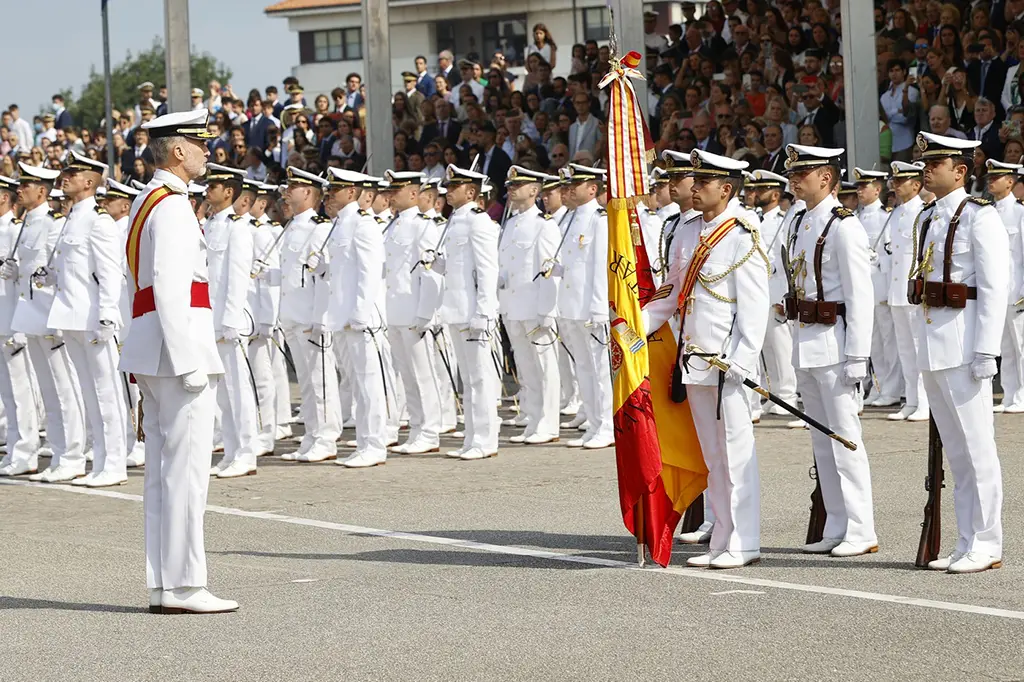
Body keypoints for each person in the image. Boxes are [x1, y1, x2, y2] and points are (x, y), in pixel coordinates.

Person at [116, 109, 236, 614]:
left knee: (164, 475)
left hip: (154, 347)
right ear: (179, 150)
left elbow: (136, 287)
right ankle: (185, 585)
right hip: (178, 352)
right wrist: (188, 362)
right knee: (185, 474)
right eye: (200, 143)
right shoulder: (171, 206)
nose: (208, 151)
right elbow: (169, 287)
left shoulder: (147, 200)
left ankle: (165, 584)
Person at [643, 149, 769, 568]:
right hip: (695, 359)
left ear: (726, 189)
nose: (694, 188)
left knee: (735, 452)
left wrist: (741, 361)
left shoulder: (741, 233)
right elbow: (671, 292)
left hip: (726, 362)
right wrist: (636, 326)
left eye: (704, 182)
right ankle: (723, 538)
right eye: (694, 181)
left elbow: (753, 307)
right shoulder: (688, 231)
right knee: (713, 455)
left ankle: (744, 541)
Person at [913, 131, 1008, 573]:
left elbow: (993, 288)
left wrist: (986, 350)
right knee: (956, 451)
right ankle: (966, 538)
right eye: (925, 163)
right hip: (934, 344)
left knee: (977, 448)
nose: (926, 169)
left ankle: (987, 541)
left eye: (936, 163)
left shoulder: (978, 216)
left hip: (965, 346)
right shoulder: (928, 217)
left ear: (961, 171)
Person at [783, 144, 878, 558]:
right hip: (806, 340)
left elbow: (860, 296)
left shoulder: (844, 226)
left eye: (801, 172)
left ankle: (862, 527)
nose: (793, 179)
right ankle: (836, 524)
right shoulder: (800, 221)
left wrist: (858, 356)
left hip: (835, 345)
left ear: (825, 178)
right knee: (823, 444)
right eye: (792, 172)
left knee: (845, 440)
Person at [45, 151, 127, 488]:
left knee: (106, 392)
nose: (65, 178)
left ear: (90, 181)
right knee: (89, 392)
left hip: (94, 318)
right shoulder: (71, 218)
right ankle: (101, 461)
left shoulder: (98, 220)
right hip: (72, 315)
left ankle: (115, 463)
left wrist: (107, 314)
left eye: (73, 173)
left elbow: (109, 272)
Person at [2, 163, 86, 484]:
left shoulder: (55, 224)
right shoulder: (27, 224)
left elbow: (62, 272)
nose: (19, 190)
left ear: (42, 191)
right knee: (50, 393)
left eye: (26, 185)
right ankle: (57, 454)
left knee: (63, 389)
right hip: (29, 316)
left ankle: (72, 455)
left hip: (50, 318)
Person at [309, 168, 398, 467]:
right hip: (342, 316)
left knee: (370, 384)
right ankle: (364, 443)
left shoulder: (363, 224)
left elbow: (370, 272)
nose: (329, 196)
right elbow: (343, 272)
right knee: (358, 384)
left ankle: (375, 445)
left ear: (351, 192)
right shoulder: (339, 225)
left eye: (334, 191)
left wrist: (359, 313)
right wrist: (323, 268)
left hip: (362, 318)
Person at [273, 167, 341, 463]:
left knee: (321, 381)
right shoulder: (291, 226)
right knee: (306, 383)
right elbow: (290, 274)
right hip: (293, 315)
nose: (288, 190)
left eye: (295, 186)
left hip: (311, 318)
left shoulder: (319, 228)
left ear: (310, 193)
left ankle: (326, 438)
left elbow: (325, 279)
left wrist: (321, 319)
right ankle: (312, 435)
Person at [437, 164, 501, 460]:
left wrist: (484, 311)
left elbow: (487, 270)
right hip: (455, 309)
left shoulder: (478, 221)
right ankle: (472, 437)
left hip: (472, 311)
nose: (448, 191)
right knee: (469, 379)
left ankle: (485, 440)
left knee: (480, 379)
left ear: (471, 191)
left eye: (455, 186)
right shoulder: (455, 220)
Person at [380, 170, 445, 456]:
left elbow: (431, 273)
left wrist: (425, 314)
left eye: (397, 190)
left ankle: (430, 431)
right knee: (407, 375)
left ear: (414, 193)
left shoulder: (423, 226)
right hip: (394, 310)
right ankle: (417, 428)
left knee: (423, 374)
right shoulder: (392, 226)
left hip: (414, 311)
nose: (391, 195)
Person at [201, 164, 258, 479]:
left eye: (214, 186)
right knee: (222, 394)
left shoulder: (237, 228)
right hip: (210, 319)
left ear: (229, 192)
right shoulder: (209, 225)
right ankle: (231, 451)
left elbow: (237, 278)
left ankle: (246, 454)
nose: (207, 190)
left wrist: (231, 321)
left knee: (238, 391)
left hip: (228, 321)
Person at [498, 166, 561, 445]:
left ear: (534, 190)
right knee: (526, 367)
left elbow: (550, 270)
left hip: (535, 307)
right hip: (513, 306)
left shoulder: (544, 224)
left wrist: (547, 310)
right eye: (510, 186)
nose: (511, 190)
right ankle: (533, 419)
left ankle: (548, 423)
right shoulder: (510, 224)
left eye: (518, 185)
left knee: (544, 366)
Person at [556, 163, 614, 450]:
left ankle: (607, 426)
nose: (569, 189)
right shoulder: (570, 218)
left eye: (575, 184)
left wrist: (599, 309)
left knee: (599, 371)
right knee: (584, 369)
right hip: (571, 306)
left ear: (592, 189)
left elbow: (600, 268)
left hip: (591, 308)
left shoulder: (598, 220)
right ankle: (593, 423)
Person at [747, 169, 798, 416]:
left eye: (763, 189)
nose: (756, 193)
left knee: (781, 348)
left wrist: (784, 296)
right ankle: (774, 393)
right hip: (758, 292)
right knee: (766, 348)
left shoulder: (782, 221)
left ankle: (788, 395)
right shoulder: (753, 219)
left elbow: (787, 259)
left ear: (776, 194)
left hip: (775, 291)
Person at [105, 178, 147, 468]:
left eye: (111, 199)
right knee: (121, 385)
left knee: (134, 385)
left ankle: (139, 442)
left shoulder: (128, 232)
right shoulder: (114, 230)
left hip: (130, 317)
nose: (105, 204)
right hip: (121, 317)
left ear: (125, 205)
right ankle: (129, 440)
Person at [0, 174, 40, 477]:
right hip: (3, 319)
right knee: (8, 392)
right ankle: (14, 448)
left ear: (4, 198)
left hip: (13, 321)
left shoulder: (15, 229)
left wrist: (21, 326)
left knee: (20, 389)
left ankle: (26, 450)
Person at [853, 167, 903, 407]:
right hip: (863, 286)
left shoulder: (886, 217)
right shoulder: (856, 216)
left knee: (888, 340)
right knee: (872, 341)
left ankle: (892, 389)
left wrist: (877, 260)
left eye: (865, 186)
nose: (860, 191)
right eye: (859, 187)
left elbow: (893, 253)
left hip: (880, 285)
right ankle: (879, 385)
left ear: (877, 190)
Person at [884, 161, 930, 422]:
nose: (896, 185)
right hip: (896, 289)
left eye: (902, 181)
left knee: (918, 346)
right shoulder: (896, 213)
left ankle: (924, 401)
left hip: (913, 290)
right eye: (895, 181)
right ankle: (911, 400)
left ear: (916, 185)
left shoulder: (923, 212)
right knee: (905, 349)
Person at [986, 159, 1024, 413]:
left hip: (1016, 289)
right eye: (989, 177)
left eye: (996, 178)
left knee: (1021, 346)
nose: (990, 181)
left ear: (1010, 182)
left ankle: (1022, 395)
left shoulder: (1020, 213)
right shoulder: (988, 212)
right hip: (997, 291)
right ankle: (1009, 395)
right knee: (1006, 348)